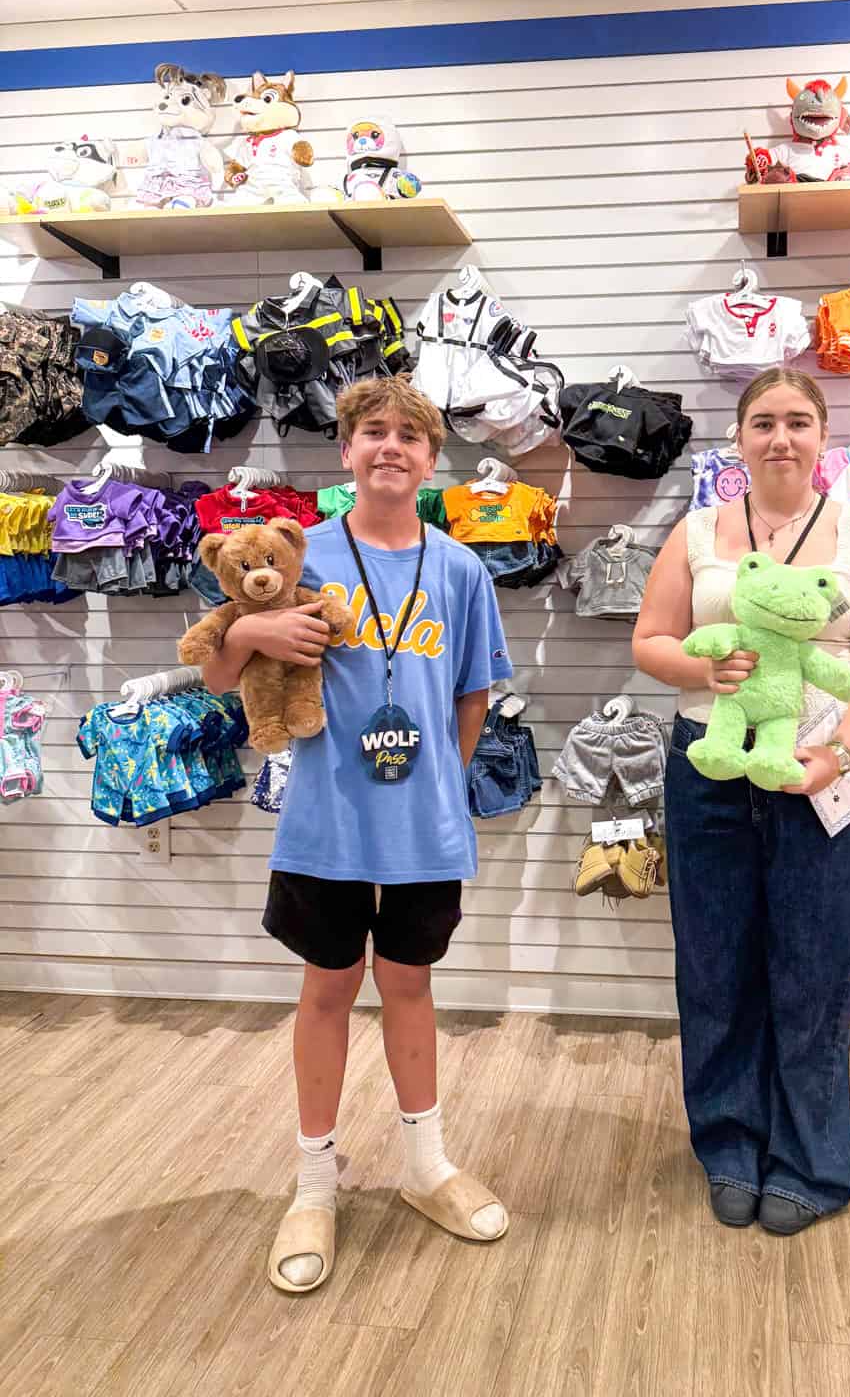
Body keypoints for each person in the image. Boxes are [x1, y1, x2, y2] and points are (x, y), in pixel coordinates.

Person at [199, 375, 513, 1293]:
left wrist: (448, 790)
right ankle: (312, 1185)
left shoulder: (459, 567)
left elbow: (471, 692)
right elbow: (218, 674)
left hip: (421, 824)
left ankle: (426, 1167)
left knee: (409, 984)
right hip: (326, 821)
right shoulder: (297, 553)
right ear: (344, 451)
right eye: (372, 433)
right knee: (328, 987)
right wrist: (254, 627)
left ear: (430, 458)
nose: (390, 448)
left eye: (409, 437)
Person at [632, 369, 850, 1236]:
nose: (780, 438)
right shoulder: (697, 532)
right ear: (740, 438)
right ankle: (728, 1143)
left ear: (823, 436)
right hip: (709, 766)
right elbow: (651, 642)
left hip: (820, 776)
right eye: (764, 423)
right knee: (715, 966)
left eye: (798, 422)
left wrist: (836, 754)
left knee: (816, 972)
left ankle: (809, 1163)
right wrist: (702, 669)